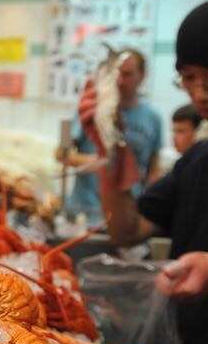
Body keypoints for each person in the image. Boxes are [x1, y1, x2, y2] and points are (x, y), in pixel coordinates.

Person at [80, 0, 208, 344]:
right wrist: (107, 146)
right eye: (189, 79)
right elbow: (127, 228)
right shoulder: (200, 160)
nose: (201, 94)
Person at [58, 49, 162, 227]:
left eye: (128, 74)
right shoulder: (88, 110)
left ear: (142, 76)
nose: (120, 81)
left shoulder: (153, 118)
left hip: (127, 212)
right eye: (116, 74)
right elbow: (61, 154)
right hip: (85, 212)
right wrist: (100, 162)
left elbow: (154, 167)